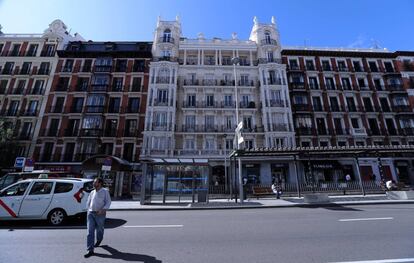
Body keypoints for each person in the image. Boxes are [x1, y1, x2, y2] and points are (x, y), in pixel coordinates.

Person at [84, 177, 111, 258]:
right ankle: (90, 250)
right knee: (90, 232)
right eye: (94, 182)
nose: (93, 184)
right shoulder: (92, 192)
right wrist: (88, 210)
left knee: (99, 229)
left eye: (95, 182)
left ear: (100, 183)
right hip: (91, 213)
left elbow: (108, 202)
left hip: (100, 214)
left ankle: (99, 239)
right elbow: (88, 202)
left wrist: (103, 210)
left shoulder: (105, 191)